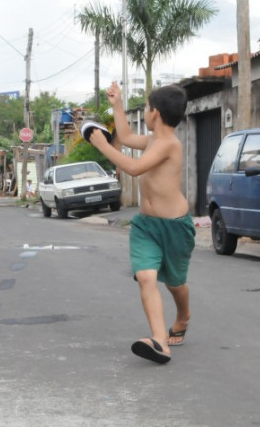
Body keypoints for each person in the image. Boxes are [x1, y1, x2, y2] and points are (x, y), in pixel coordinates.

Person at [89, 81, 194, 365]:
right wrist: (117, 104)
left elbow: (134, 168)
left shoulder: (169, 144)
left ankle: (183, 316)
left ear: (155, 113)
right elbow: (123, 135)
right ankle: (160, 341)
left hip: (175, 226)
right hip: (146, 226)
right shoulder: (150, 141)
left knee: (175, 283)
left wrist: (101, 144)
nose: (145, 112)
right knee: (146, 276)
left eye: (146, 107)